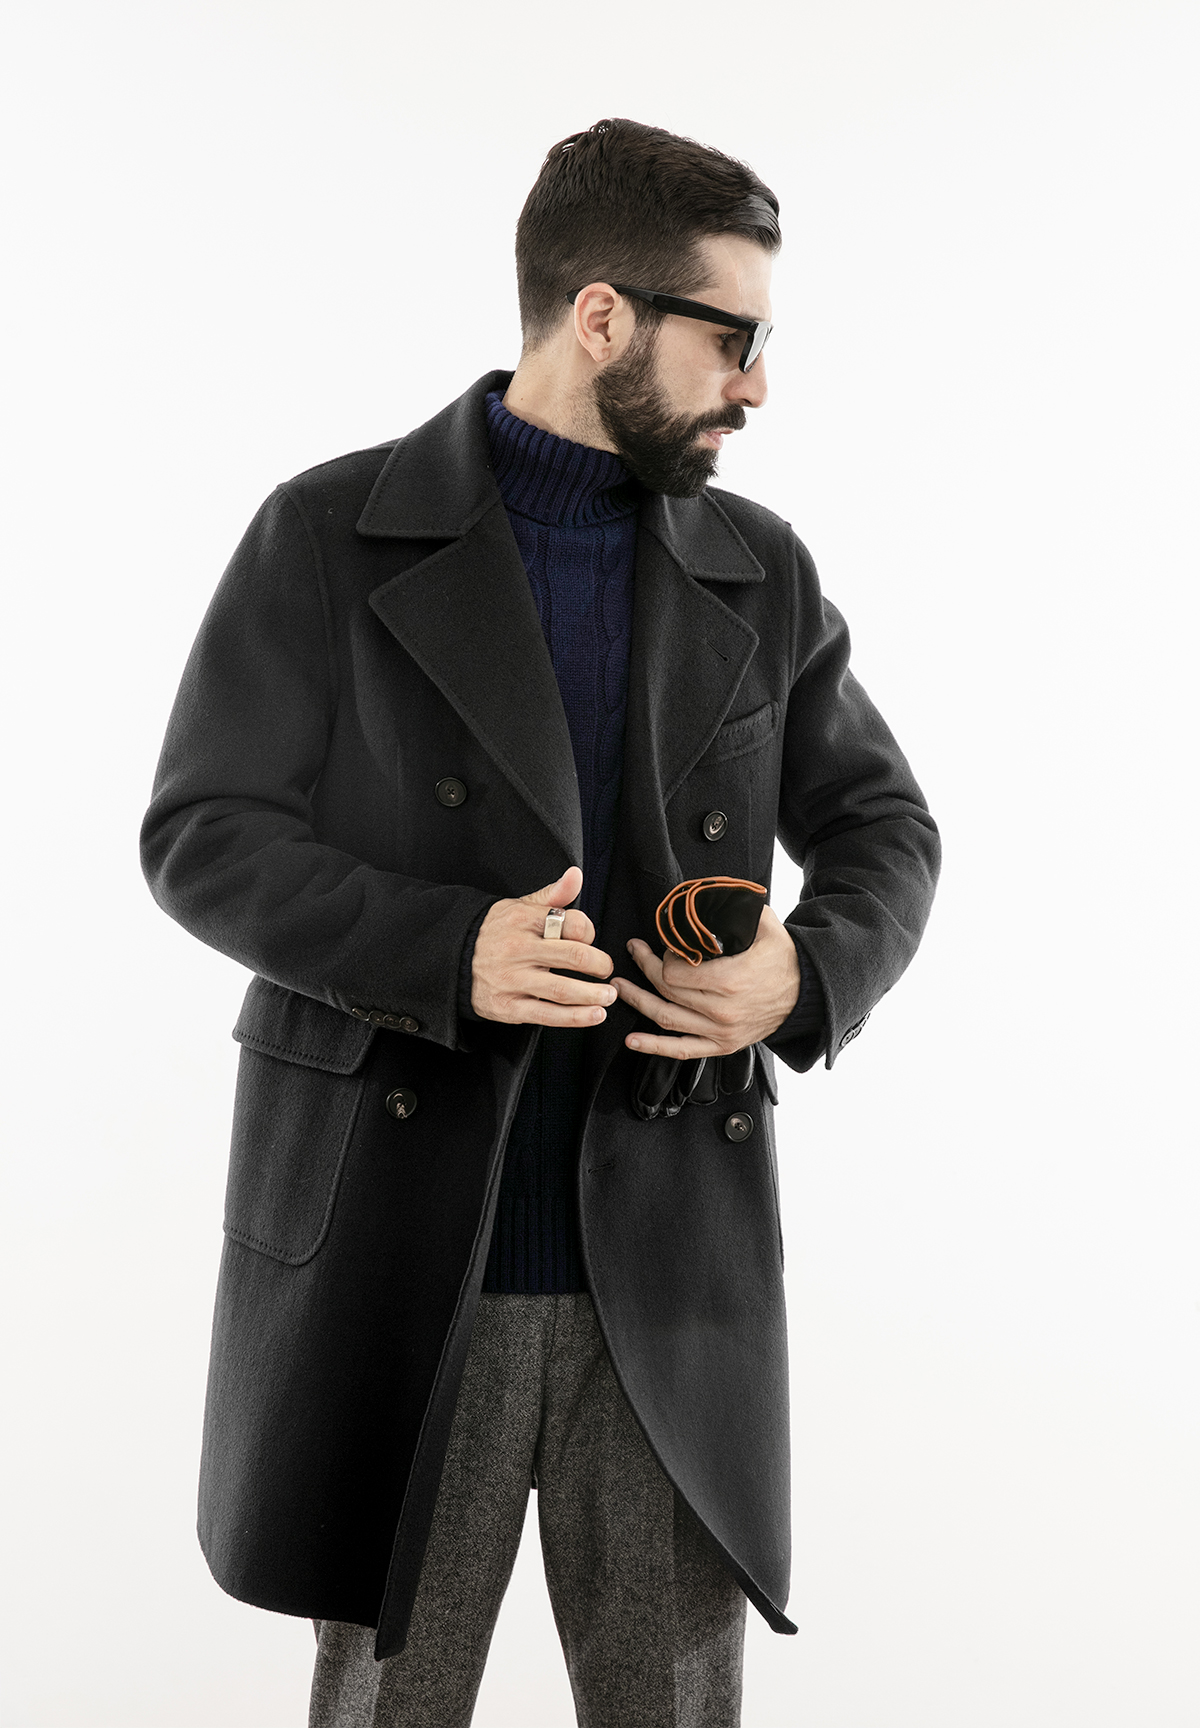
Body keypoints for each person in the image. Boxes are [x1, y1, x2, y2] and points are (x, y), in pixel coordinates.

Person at [141, 117, 940, 1728]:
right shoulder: (328, 532)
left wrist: (804, 973)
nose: (757, 386)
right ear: (602, 316)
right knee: (389, 1703)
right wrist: (445, 951)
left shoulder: (759, 570)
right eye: (733, 339)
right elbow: (201, 834)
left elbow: (884, 828)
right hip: (404, 1250)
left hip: (667, 1273)